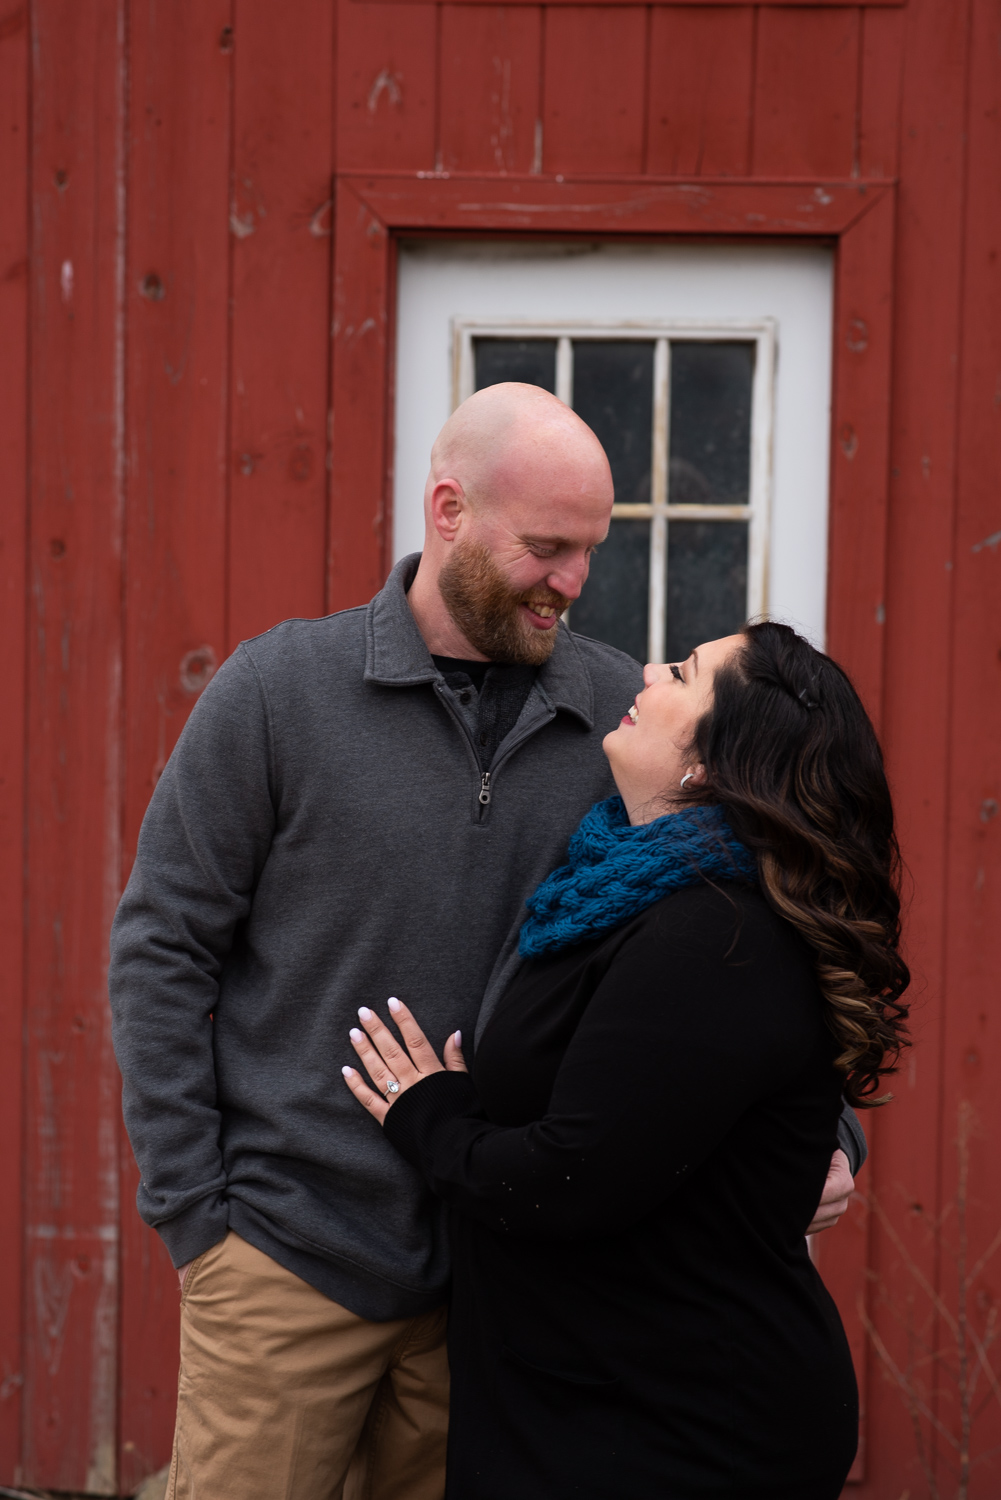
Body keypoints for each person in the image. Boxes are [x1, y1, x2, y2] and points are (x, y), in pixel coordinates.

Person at [109, 384, 860, 1500]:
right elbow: (160, 947)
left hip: (501, 1291)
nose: (573, 583)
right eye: (548, 547)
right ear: (449, 509)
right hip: (286, 1254)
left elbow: (751, 923)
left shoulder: (620, 720)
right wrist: (198, 1221)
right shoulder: (277, 694)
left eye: (590, 551)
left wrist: (822, 1130)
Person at [343, 621, 910, 1500]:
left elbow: (570, 1175)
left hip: (678, 1424)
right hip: (583, 1390)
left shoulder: (715, 938)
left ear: (714, 763)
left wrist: (428, 1113)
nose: (647, 672)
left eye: (683, 673)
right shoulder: (618, 889)